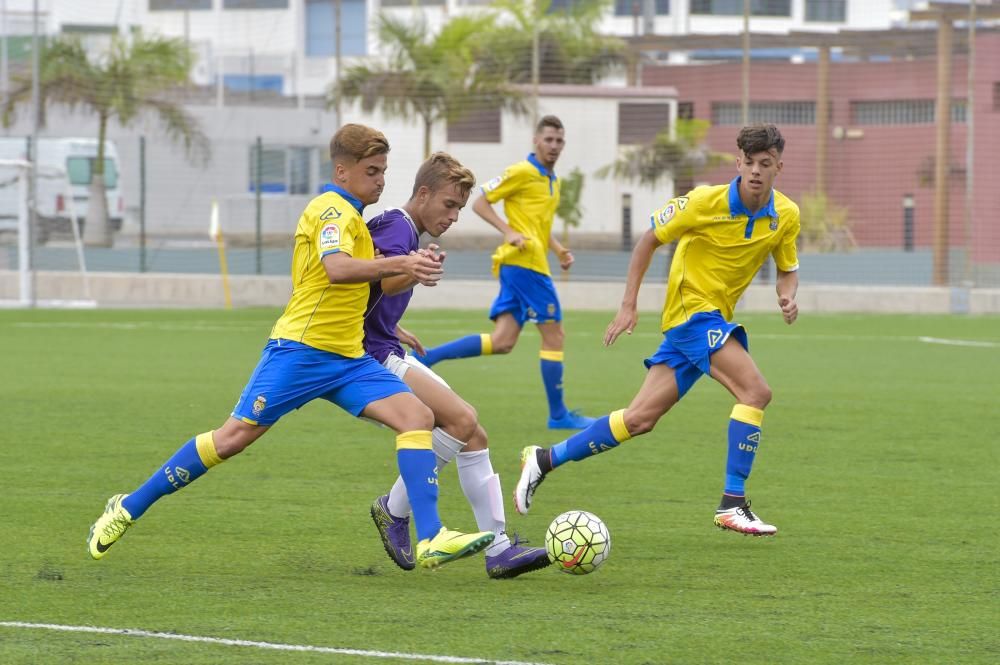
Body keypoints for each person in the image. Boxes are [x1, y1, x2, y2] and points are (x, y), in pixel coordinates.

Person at [87, 124, 494, 569]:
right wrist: (405, 262)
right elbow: (336, 270)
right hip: (300, 352)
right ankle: (127, 507)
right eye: (372, 171)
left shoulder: (355, 216)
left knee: (417, 416)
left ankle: (431, 536)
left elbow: (351, 287)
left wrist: (390, 324)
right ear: (342, 171)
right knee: (231, 439)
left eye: (383, 171)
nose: (380, 180)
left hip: (349, 359)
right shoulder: (331, 210)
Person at [513, 124, 800, 536]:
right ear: (738, 162)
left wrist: (787, 296)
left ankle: (543, 459)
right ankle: (732, 503)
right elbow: (648, 240)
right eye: (749, 162)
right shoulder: (703, 201)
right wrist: (629, 304)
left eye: (765, 164)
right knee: (756, 392)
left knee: (639, 419)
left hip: (708, 320)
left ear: (778, 167)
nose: (755, 171)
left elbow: (787, 269)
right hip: (691, 315)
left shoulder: (785, 215)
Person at [364, 152, 551, 579]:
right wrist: (416, 270)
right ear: (423, 193)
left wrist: (394, 321)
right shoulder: (398, 225)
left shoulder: (405, 229)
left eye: (459, 209)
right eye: (449, 205)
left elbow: (370, 284)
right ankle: (394, 509)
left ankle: (499, 550)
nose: (453, 217)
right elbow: (383, 276)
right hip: (369, 358)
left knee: (473, 434)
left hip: (384, 343)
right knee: (463, 419)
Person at [412, 115, 595, 430]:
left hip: (531, 262)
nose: (554, 146)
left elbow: (540, 227)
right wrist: (508, 231)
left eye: (559, 141)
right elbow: (482, 202)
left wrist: (559, 249)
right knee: (555, 336)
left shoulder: (554, 181)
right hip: (524, 264)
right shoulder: (522, 172)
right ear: (536, 141)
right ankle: (558, 415)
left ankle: (427, 357)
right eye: (548, 139)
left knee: (503, 341)